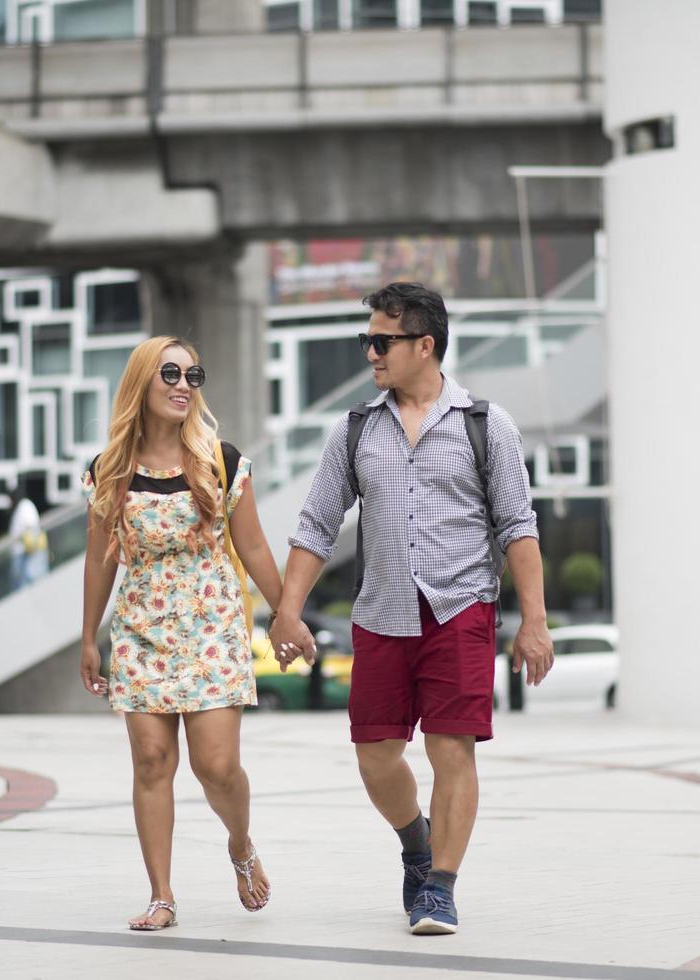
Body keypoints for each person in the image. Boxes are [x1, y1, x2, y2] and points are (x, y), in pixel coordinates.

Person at [269, 281, 553, 936]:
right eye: (367, 339)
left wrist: (533, 621)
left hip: (461, 610)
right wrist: (288, 610)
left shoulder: (487, 426)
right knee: (374, 754)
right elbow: (315, 525)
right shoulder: (355, 430)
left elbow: (517, 526)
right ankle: (416, 845)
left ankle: (440, 887)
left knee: (451, 749)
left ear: (424, 345)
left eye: (381, 340)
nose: (370, 352)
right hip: (382, 612)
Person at [79, 335, 301, 932]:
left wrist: (287, 615)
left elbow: (252, 545)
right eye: (170, 374)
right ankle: (161, 895)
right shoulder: (109, 471)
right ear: (142, 384)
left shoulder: (219, 460)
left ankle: (240, 844)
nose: (183, 385)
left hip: (212, 627)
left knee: (217, 766)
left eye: (192, 375)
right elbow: (100, 558)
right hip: (140, 631)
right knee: (152, 762)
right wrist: (88, 638)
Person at [8, 490, 50, 590]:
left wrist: (28, 542)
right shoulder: (22, 507)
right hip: (27, 555)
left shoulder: (25, 506)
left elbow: (32, 526)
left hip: (30, 554)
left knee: (33, 586)